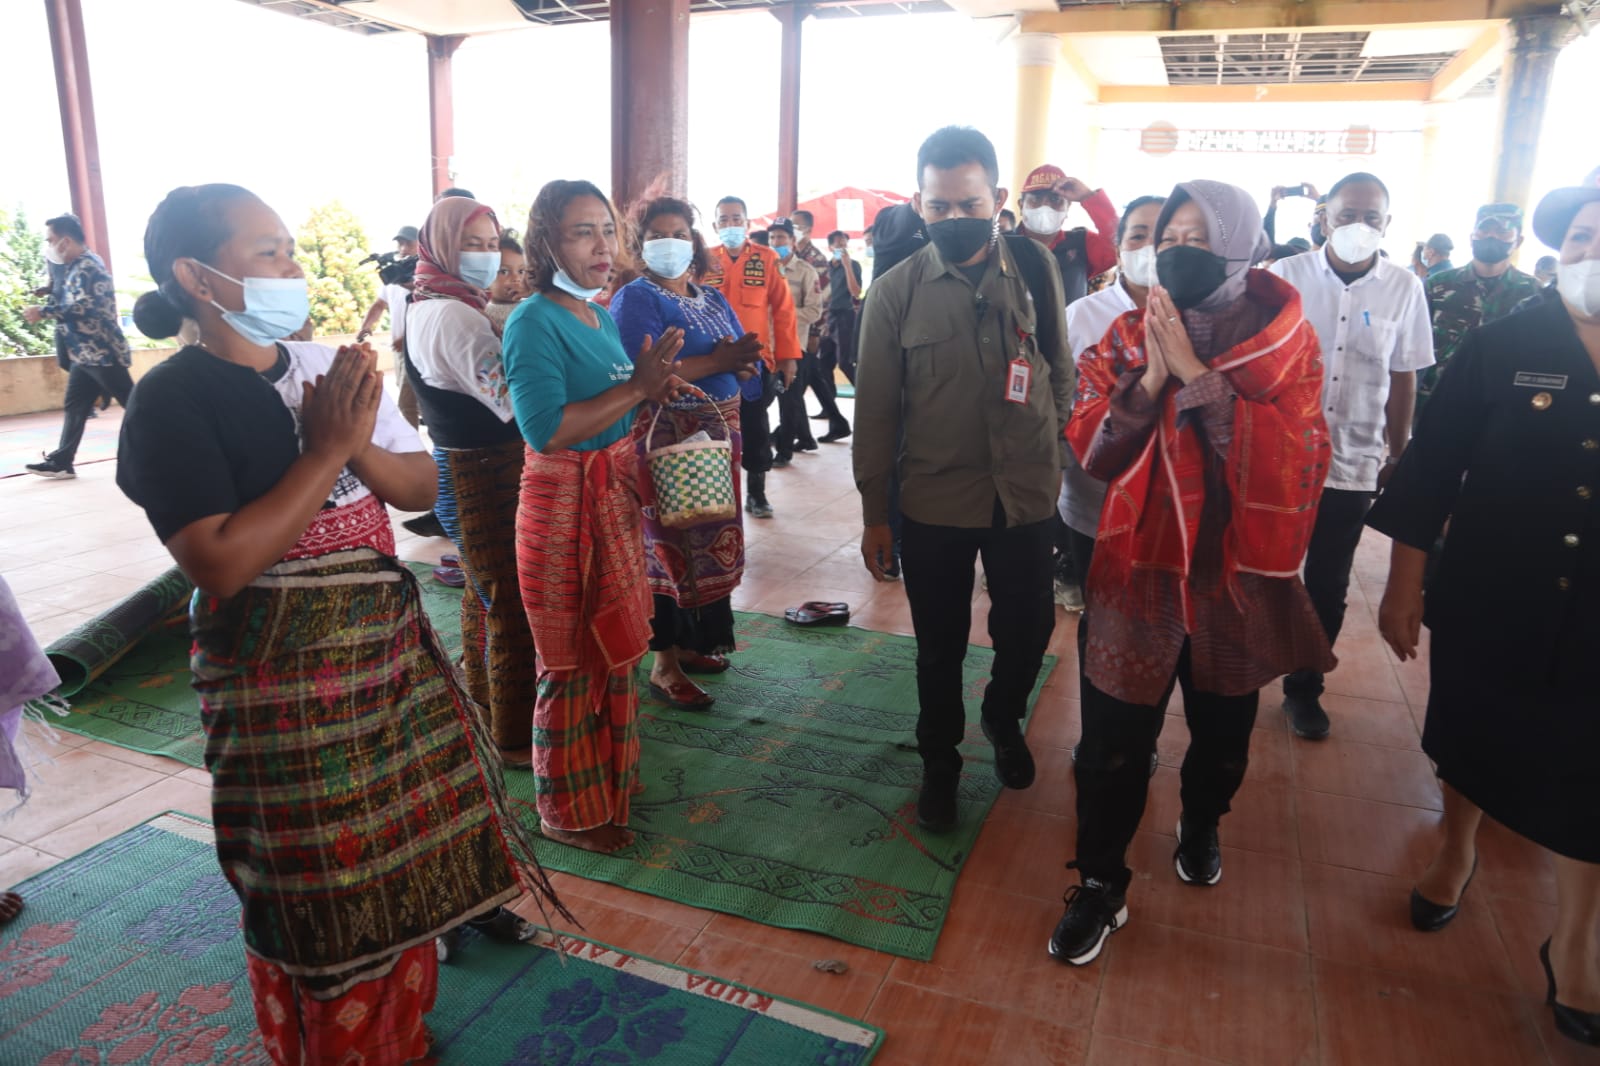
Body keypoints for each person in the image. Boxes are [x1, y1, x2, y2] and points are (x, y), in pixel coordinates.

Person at [115, 183, 563, 1064]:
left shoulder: (327, 365)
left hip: (384, 660)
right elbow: (220, 561)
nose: (294, 268)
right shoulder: (171, 402)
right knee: (319, 884)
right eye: (269, 252)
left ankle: (400, 1035)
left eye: (290, 249)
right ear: (195, 278)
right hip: (283, 684)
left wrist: (351, 435)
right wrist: (324, 449)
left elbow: (415, 487)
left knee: (400, 856)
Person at [1051, 180, 1333, 968]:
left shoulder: (1288, 344)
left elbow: (1302, 455)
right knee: (1108, 745)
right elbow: (1095, 451)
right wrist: (1154, 377)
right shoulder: (1120, 339)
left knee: (1222, 741)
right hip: (1137, 574)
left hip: (1231, 582)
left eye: (1197, 235)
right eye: (1166, 234)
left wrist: (1199, 376)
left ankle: (1203, 819)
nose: (1175, 248)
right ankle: (1101, 883)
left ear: (1242, 245)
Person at [1368, 183, 1600, 1048]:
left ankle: (1577, 941)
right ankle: (1455, 848)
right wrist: (1403, 584)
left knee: (1593, 760)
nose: (1593, 254)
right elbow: (1430, 470)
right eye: (1582, 237)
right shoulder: (1506, 343)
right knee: (1476, 725)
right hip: (1497, 585)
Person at [854, 126, 1072, 833]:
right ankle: (939, 761)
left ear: (997, 199)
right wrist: (874, 514)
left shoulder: (1038, 270)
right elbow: (877, 413)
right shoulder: (893, 294)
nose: (954, 218)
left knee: (1029, 627)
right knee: (939, 645)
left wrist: (1052, 445)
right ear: (920, 207)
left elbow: (1061, 372)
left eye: (967, 203)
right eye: (939, 207)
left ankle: (1002, 717)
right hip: (935, 502)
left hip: (1028, 496)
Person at [503, 179, 686, 854]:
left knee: (612, 646)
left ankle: (609, 783)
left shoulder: (597, 315)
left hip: (606, 498)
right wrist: (635, 388)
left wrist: (649, 390)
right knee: (570, 658)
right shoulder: (532, 319)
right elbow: (547, 428)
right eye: (582, 232)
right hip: (561, 505)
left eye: (607, 230)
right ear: (545, 241)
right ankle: (567, 812)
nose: (602, 245)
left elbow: (614, 402)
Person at [1268, 172, 1434, 740]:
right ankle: (1242, 671)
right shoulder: (1282, 279)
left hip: (1353, 462)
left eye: (1372, 218)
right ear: (1323, 219)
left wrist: (1399, 450)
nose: (1359, 227)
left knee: (1328, 582)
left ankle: (1304, 687)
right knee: (1261, 570)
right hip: (1279, 461)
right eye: (1347, 216)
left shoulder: (1404, 289)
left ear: (1387, 224)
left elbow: (1403, 373)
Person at [401, 195, 538, 770]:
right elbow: (513, 401)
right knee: (510, 604)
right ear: (440, 248)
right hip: (481, 475)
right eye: (471, 246)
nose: (484, 258)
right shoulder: (452, 315)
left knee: (486, 597)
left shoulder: (440, 302)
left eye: (491, 245)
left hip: (472, 469)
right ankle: (512, 736)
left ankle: (481, 699)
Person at [611, 195, 762, 709]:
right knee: (668, 543)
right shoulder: (636, 298)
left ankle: (695, 643)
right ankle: (664, 663)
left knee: (709, 536)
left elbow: (742, 353)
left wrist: (741, 365)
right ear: (640, 243)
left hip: (720, 437)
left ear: (693, 241)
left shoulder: (712, 298)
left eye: (679, 233)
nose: (670, 242)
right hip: (669, 440)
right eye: (658, 234)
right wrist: (717, 359)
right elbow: (640, 374)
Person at [1055, 195, 1167, 615]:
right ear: (1119, 247)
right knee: (1101, 619)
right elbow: (1059, 403)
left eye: (1165, 237)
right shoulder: (1081, 316)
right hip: (1093, 503)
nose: (1151, 248)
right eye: (1138, 235)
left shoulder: (1205, 317)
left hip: (1172, 510)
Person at [703, 195, 799, 520]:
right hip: (710, 363)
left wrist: (788, 358)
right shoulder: (701, 260)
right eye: (724, 219)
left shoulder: (767, 258)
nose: (730, 225)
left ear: (746, 224)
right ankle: (715, 496)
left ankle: (756, 494)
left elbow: (784, 311)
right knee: (711, 429)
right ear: (715, 225)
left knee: (756, 428)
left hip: (756, 364)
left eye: (736, 219)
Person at [23, 214, 132, 479]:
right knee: (75, 405)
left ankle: (178, 443)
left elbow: (86, 307)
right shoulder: (72, 266)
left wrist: (44, 312)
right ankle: (62, 461)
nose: (48, 245)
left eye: (50, 240)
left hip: (102, 352)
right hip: (83, 353)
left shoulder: (88, 267)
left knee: (136, 402)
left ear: (66, 240)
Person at [1420, 202, 1542, 409]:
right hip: (1436, 398)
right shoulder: (1437, 285)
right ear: (1471, 236)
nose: (1491, 237)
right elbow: (1414, 346)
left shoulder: (1533, 292)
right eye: (1484, 230)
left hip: (1500, 404)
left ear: (1518, 240)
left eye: (1502, 231)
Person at [1014, 164, 1118, 305]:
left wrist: (1088, 197)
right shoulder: (1002, 244)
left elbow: (1119, 244)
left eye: (1055, 200)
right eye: (1036, 199)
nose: (1045, 206)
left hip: (1069, 326)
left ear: (1067, 207)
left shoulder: (1082, 243)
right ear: (1021, 205)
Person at [767, 218, 825, 466]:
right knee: (761, 399)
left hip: (792, 347)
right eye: (772, 238)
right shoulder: (763, 267)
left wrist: (783, 315)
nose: (776, 242)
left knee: (789, 400)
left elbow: (814, 311)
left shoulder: (805, 271)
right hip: (764, 346)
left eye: (781, 237)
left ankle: (784, 451)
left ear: (792, 241)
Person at [822, 229, 864, 415]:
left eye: (845, 243)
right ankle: (829, 408)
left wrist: (847, 266)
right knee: (823, 363)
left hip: (844, 316)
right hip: (825, 317)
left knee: (845, 361)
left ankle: (867, 396)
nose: (842, 246)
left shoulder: (853, 265)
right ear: (830, 247)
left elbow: (855, 292)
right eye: (838, 243)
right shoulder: (824, 267)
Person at [485, 231, 531, 334]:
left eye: (521, 271)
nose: (516, 278)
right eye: (504, 271)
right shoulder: (485, 314)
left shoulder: (531, 304)